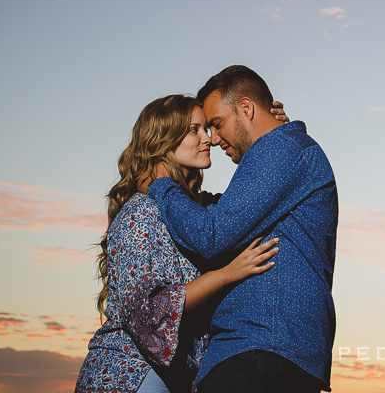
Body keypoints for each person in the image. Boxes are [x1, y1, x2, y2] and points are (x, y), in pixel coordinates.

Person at [75, 94, 287, 393]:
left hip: (176, 379)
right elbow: (148, 310)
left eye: (208, 128)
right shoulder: (141, 211)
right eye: (195, 130)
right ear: (163, 141)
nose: (210, 139)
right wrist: (226, 274)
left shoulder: (195, 214)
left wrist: (270, 134)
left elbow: (252, 205)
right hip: (129, 375)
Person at [145, 65, 338, 393]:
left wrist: (160, 184)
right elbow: (227, 218)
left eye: (216, 124)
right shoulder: (290, 151)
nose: (214, 139)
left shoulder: (279, 149)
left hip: (257, 350)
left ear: (246, 108)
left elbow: (211, 236)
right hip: (278, 350)